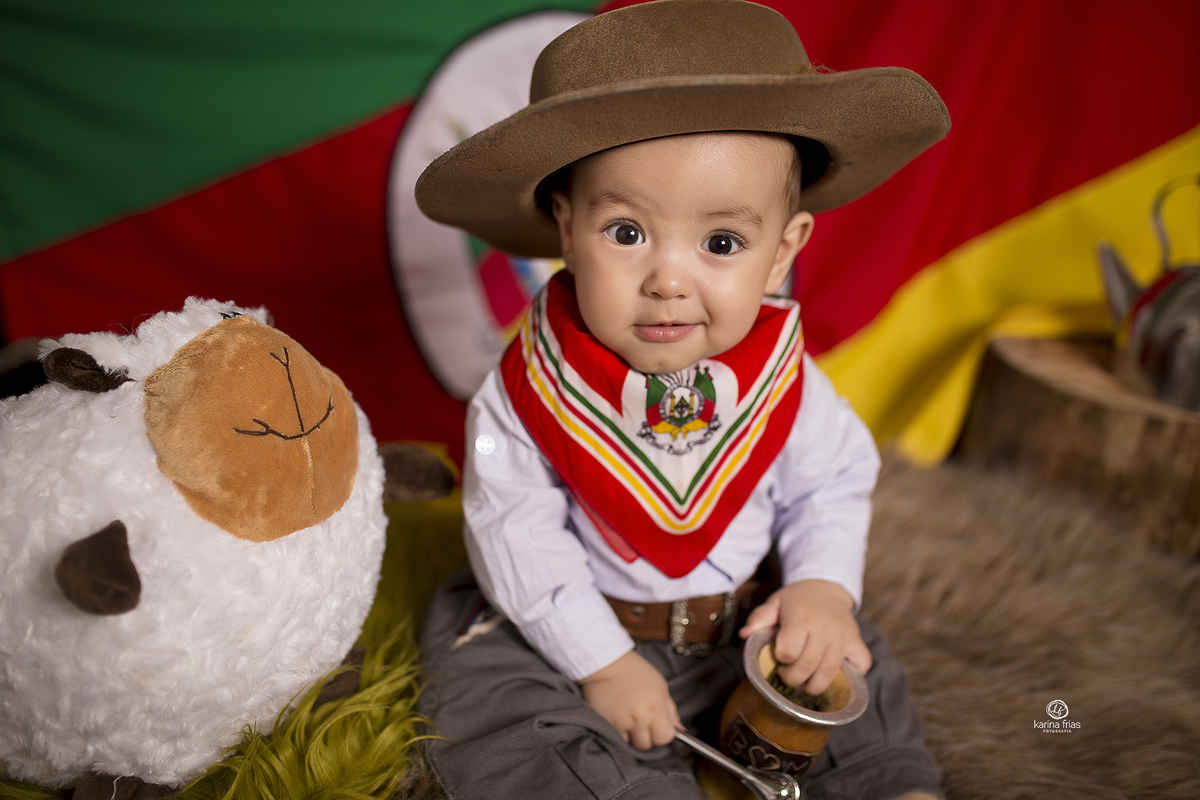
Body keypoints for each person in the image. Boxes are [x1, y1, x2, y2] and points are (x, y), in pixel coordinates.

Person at [413, 1, 950, 798]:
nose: (668, 279)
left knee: (839, 667)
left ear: (782, 252)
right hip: (569, 625)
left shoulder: (784, 382)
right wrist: (602, 665)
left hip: (741, 620)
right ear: (565, 229)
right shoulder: (523, 391)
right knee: (489, 704)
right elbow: (514, 531)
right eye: (625, 233)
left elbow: (829, 483)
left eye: (722, 243)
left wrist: (820, 589)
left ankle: (881, 780)